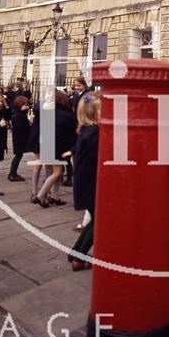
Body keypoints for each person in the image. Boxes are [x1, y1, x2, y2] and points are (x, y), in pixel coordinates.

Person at [65, 93, 100, 271]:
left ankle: (76, 251)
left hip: (85, 182)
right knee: (100, 221)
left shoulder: (85, 129)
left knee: (95, 218)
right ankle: (79, 258)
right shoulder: (95, 132)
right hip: (93, 183)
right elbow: (98, 158)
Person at [33, 89, 76, 208]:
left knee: (57, 171)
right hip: (59, 147)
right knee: (57, 172)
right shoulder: (67, 115)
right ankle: (41, 195)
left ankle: (54, 196)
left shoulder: (49, 112)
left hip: (46, 144)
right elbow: (73, 132)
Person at [8, 95, 31, 182]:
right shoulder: (18, 115)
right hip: (19, 138)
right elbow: (23, 127)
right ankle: (12, 174)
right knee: (18, 155)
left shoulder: (20, 114)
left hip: (19, 138)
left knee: (18, 155)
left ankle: (13, 173)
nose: (27, 107)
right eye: (25, 105)